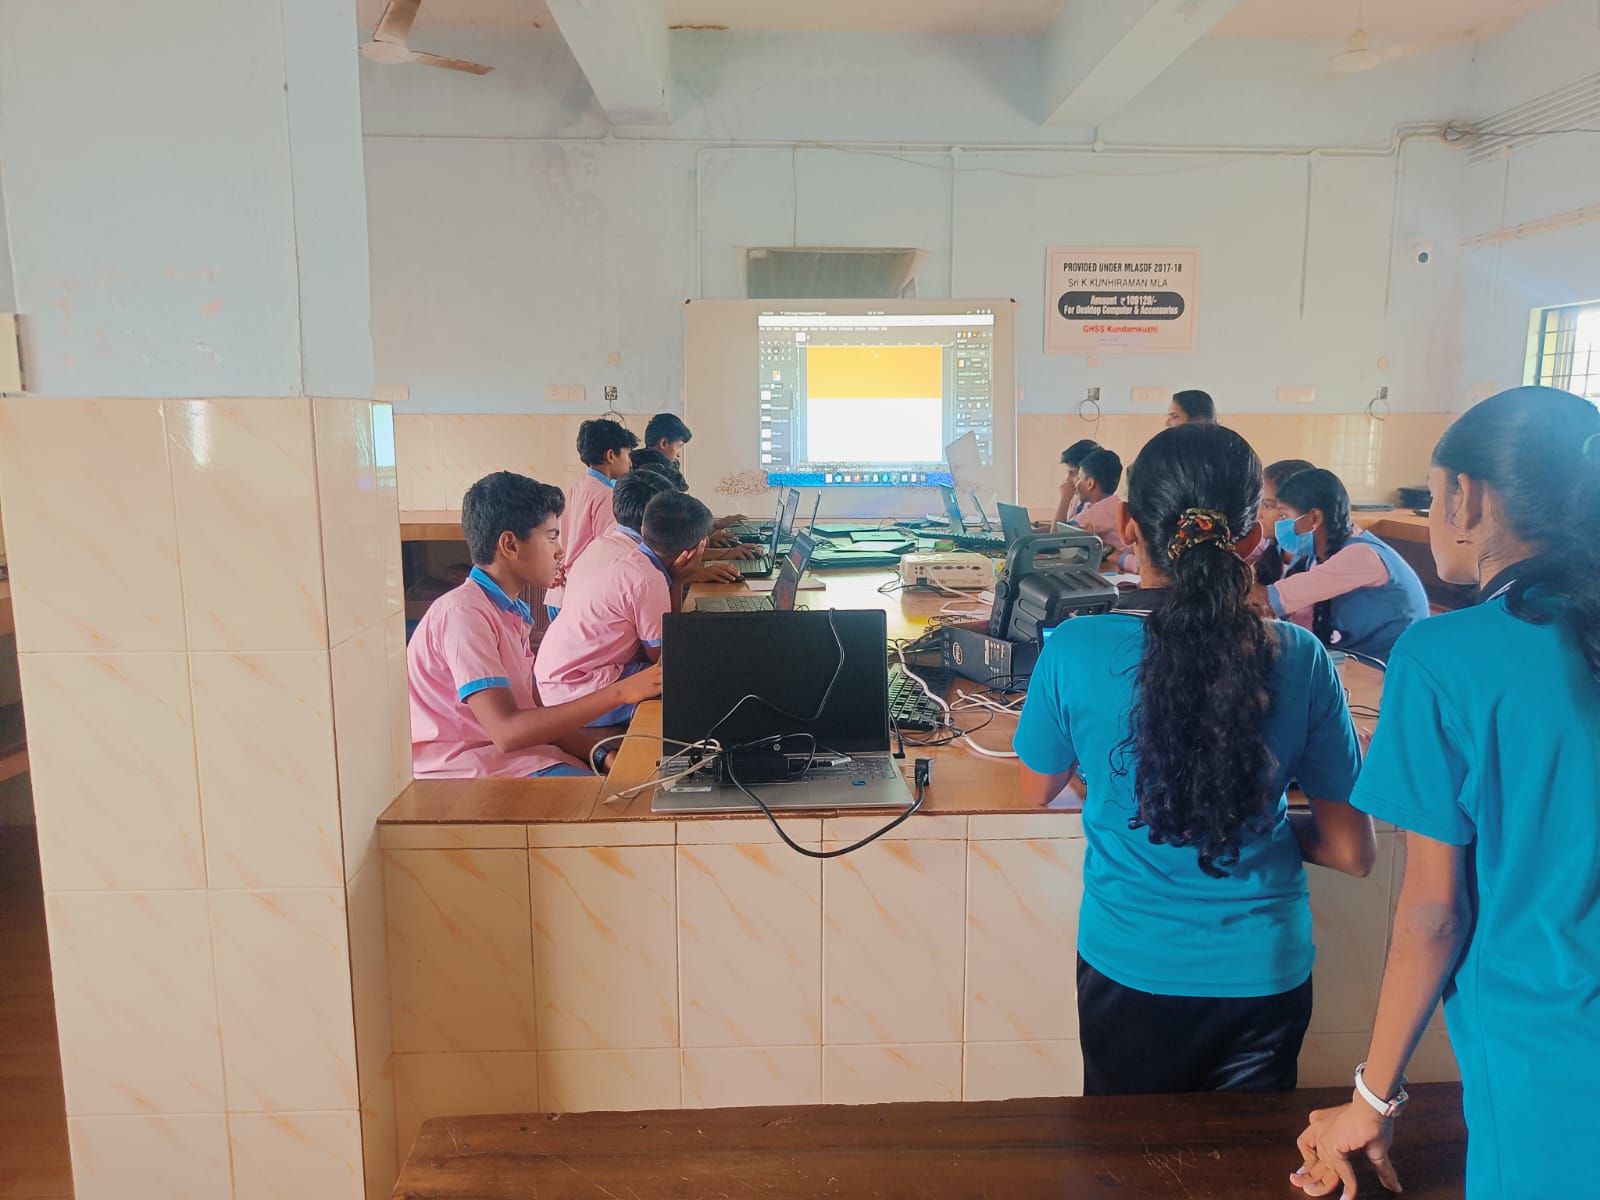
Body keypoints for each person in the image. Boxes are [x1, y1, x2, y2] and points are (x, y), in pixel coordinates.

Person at [1290, 387, 1600, 1200]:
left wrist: (1371, 1099)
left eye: (1433, 496)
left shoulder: (1445, 656)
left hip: (1549, 1049)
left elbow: (1435, 914)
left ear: (1469, 497)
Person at [1015, 424, 1374, 1096]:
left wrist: (1124, 795)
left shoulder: (1074, 648)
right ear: (1251, 538)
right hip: (1265, 973)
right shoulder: (1300, 658)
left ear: (1127, 523)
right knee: (1245, 1156)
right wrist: (1243, 815)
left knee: (1129, 1150)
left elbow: (1038, 787)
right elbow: (1352, 851)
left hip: (1131, 966)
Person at [407, 472, 662, 779]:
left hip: (518, 761)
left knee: (636, 778)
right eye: (551, 537)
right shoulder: (464, 614)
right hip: (472, 773)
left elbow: (534, 714)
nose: (560, 551)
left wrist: (601, 755)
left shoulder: (507, 611)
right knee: (623, 800)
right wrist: (620, 693)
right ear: (510, 545)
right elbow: (507, 732)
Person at [535, 490, 713, 727]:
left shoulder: (631, 562)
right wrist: (679, 582)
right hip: (576, 693)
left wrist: (677, 581)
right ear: (693, 552)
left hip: (557, 680)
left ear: (643, 529)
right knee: (693, 686)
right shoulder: (648, 580)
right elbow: (664, 657)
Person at [1263, 468, 1429, 662]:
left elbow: (1268, 599)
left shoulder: (1361, 556)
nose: (1278, 524)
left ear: (1314, 518)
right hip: (1356, 657)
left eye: (1283, 516)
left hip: (1392, 664)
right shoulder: (1316, 556)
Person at [546, 418, 639, 618]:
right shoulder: (606, 496)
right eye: (627, 454)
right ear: (611, 455)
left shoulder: (573, 489)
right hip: (580, 596)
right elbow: (609, 552)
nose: (630, 462)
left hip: (557, 594)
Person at [637, 419, 748, 539]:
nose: (679, 454)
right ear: (664, 443)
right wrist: (709, 541)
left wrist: (714, 525)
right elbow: (668, 530)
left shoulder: (644, 469)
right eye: (679, 446)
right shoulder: (652, 479)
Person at [1067, 447, 1135, 573]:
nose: (1075, 483)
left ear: (1090, 483)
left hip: (1124, 567)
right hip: (1116, 564)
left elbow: (1065, 532)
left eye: (1079, 478)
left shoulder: (1105, 508)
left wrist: (1064, 498)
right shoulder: (1097, 504)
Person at [1255, 458, 1316, 586]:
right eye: (1258, 503)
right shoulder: (1267, 542)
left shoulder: (1321, 558)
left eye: (1268, 506)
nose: (1258, 514)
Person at [1047, 438, 1100, 529]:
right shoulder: (1077, 499)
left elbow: (1056, 535)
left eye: (1072, 473)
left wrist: (1065, 499)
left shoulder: (1095, 509)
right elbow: (1064, 527)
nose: (1067, 479)